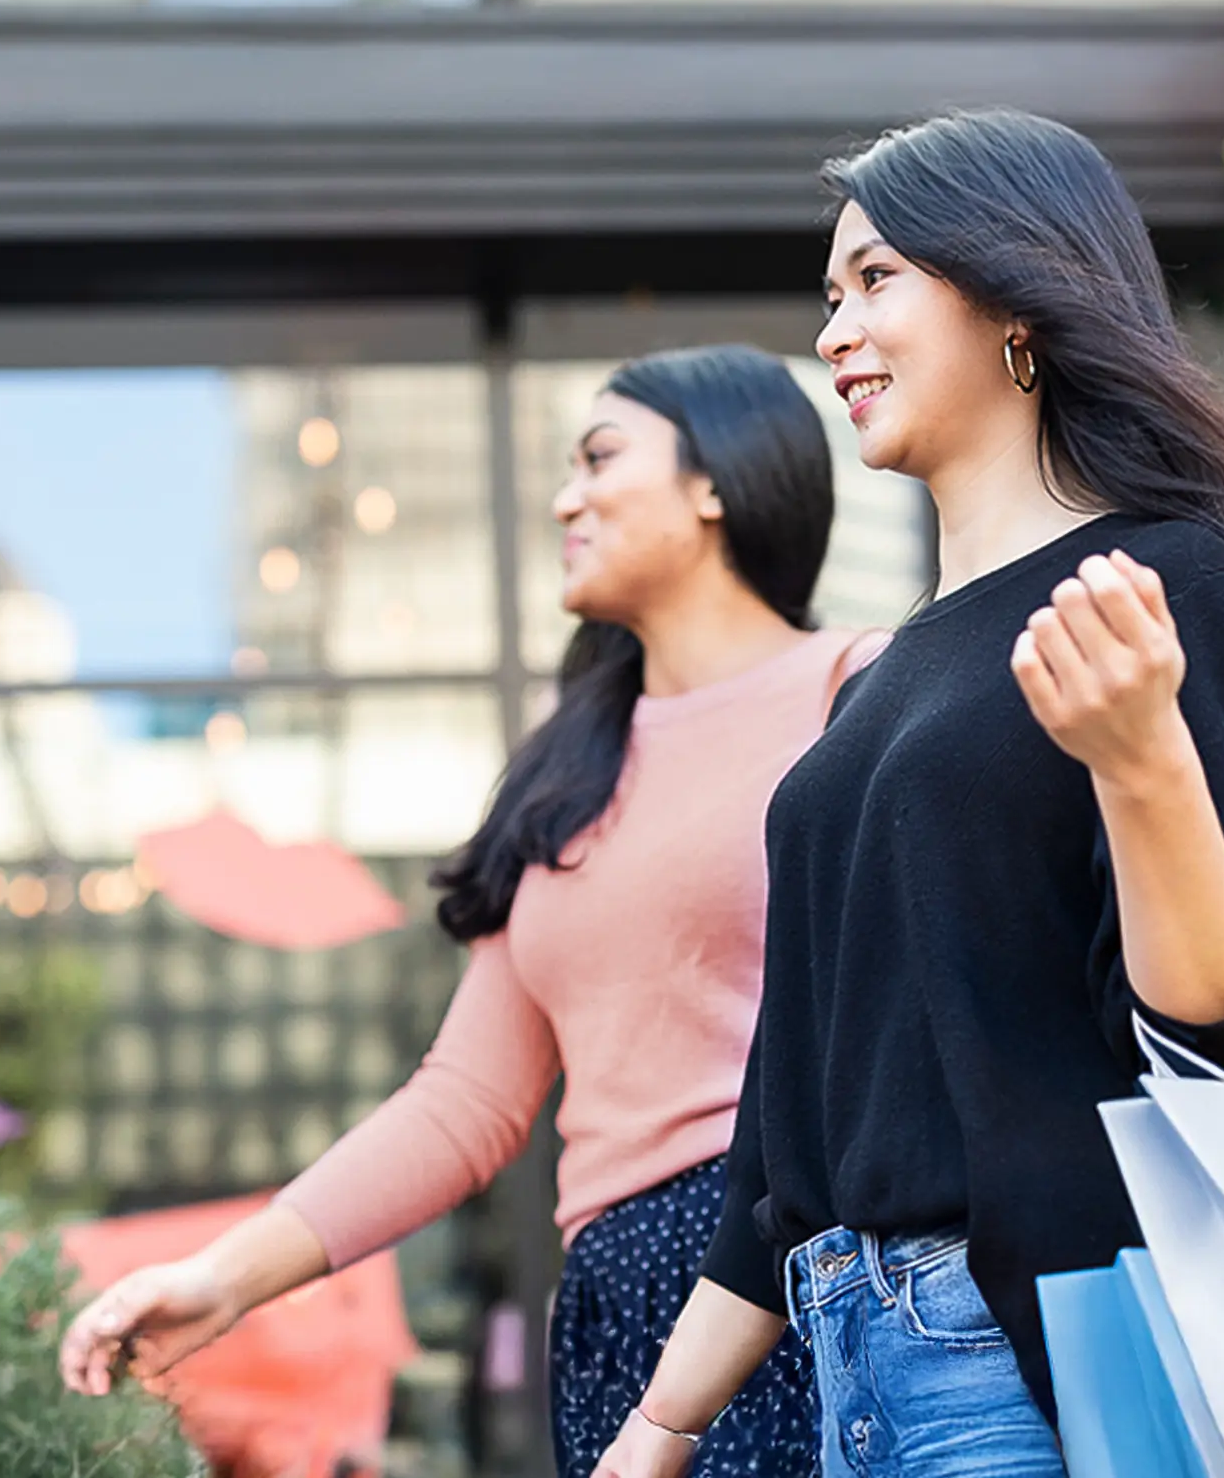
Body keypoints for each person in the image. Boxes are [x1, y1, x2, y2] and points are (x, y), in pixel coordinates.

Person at [593, 111, 1224, 1478]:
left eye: (876, 281)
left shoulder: (1160, 582)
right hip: (851, 1348)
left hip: (1028, 1347)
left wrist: (1142, 764)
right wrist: (662, 1424)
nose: (835, 332)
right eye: (828, 297)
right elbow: (789, 1128)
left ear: (1014, 298)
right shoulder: (887, 681)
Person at [60, 344, 877, 1478]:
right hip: (608, 1302)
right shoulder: (566, 770)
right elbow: (463, 1103)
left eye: (599, 458)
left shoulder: (856, 687)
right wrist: (223, 1279)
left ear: (715, 481)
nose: (562, 498)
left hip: (793, 1279)